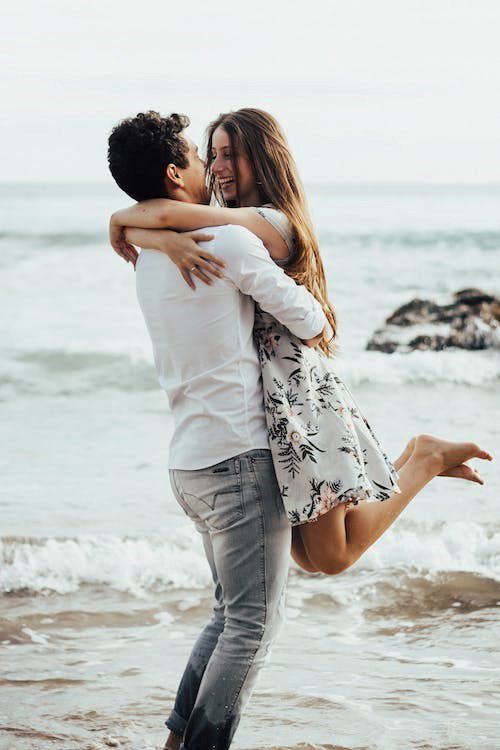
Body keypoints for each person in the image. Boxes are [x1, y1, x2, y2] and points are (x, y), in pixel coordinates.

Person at [109, 108, 492, 583]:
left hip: (299, 395)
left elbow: (168, 212)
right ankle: (420, 455)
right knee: (308, 557)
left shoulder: (270, 223)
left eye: (231, 155)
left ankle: (427, 458)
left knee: (332, 556)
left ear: (263, 158)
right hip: (267, 402)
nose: (217, 166)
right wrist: (150, 236)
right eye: (212, 155)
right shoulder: (231, 224)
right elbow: (171, 219)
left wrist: (128, 222)